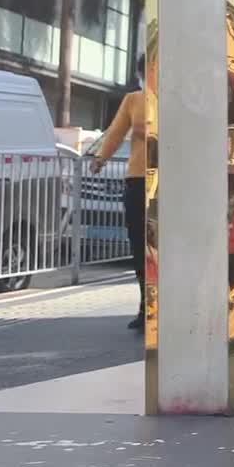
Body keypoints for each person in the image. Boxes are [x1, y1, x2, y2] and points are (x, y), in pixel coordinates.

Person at [92, 55, 147, 332]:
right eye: (145, 71)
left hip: (171, 182)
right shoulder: (133, 100)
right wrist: (101, 157)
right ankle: (145, 305)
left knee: (166, 249)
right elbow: (115, 131)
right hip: (138, 181)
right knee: (139, 246)